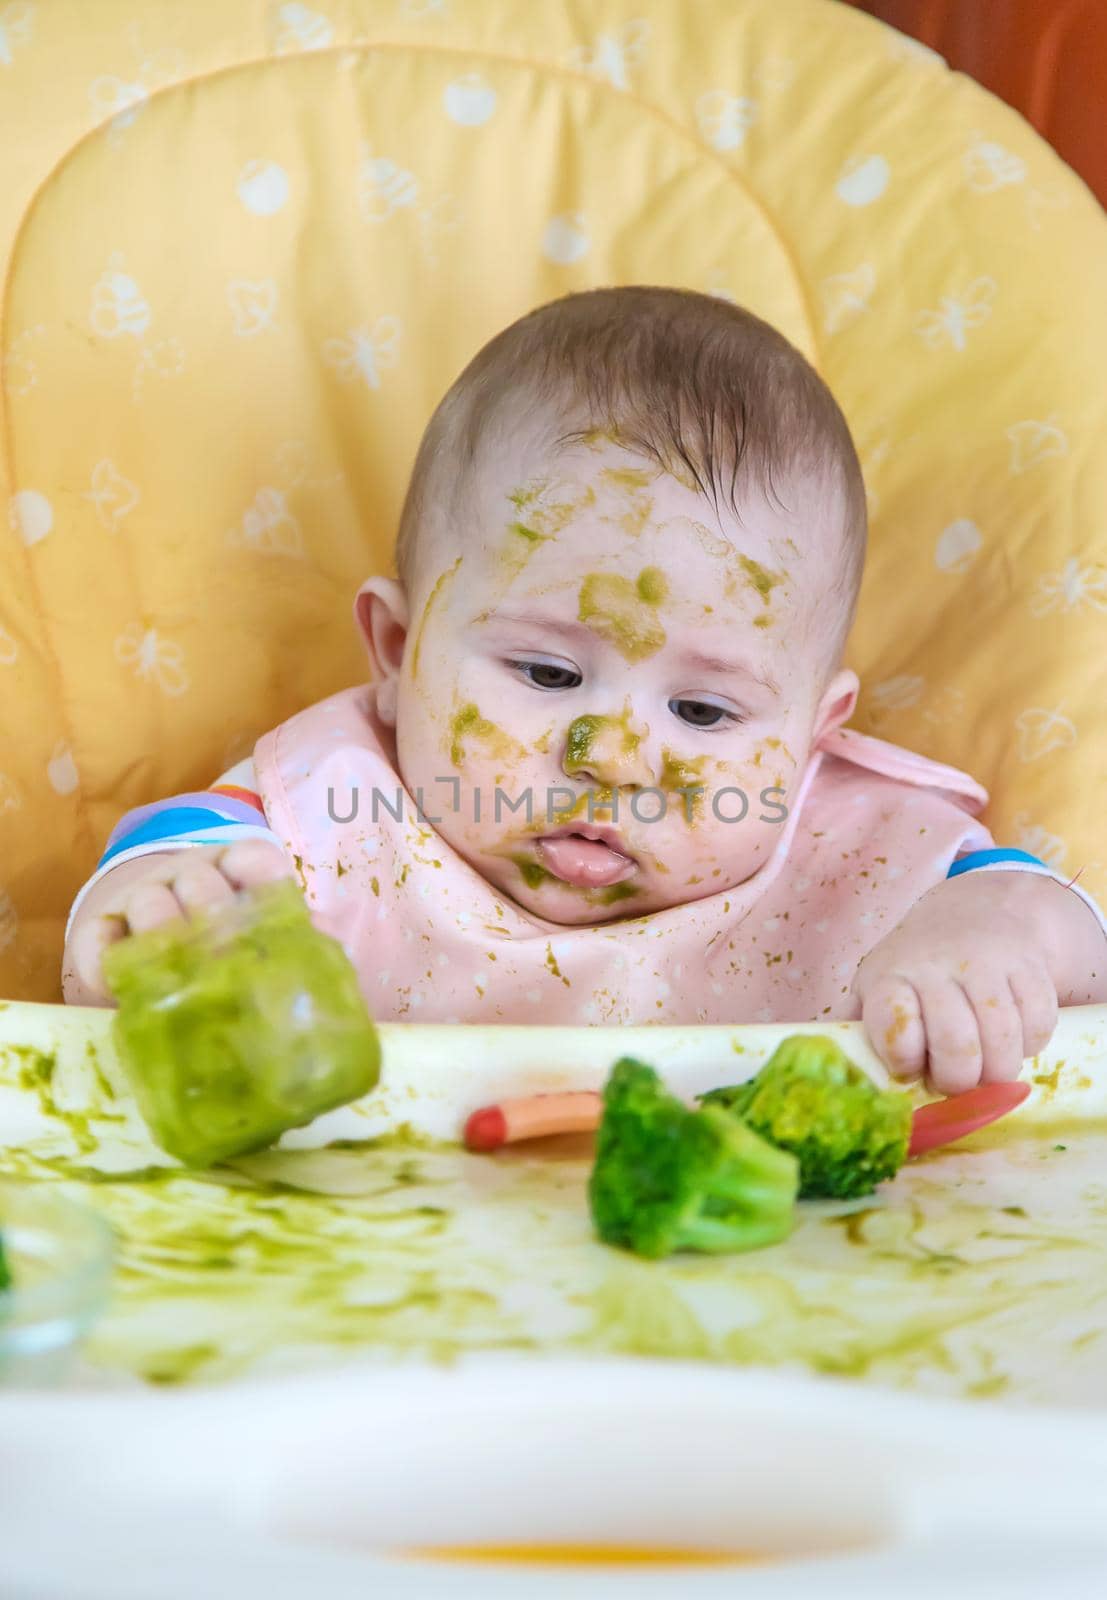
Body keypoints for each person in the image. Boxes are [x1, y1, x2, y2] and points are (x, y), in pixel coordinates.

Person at [61, 287, 1107, 1094]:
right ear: (395, 647)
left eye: (703, 713)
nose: (610, 758)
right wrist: (154, 915)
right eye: (550, 674)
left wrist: (995, 938)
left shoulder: (856, 849)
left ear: (809, 733)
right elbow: (182, 853)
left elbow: (1055, 924)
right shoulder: (348, 807)